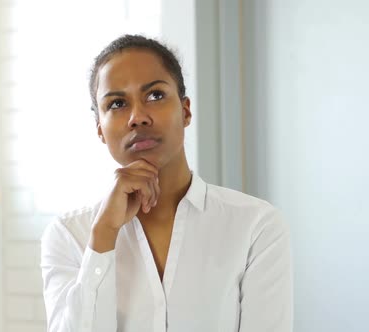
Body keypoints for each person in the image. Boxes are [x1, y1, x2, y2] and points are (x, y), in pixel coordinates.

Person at [40, 34, 292, 332]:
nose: (137, 117)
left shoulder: (256, 226)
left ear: (185, 111)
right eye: (117, 103)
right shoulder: (70, 236)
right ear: (100, 130)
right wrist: (104, 233)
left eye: (155, 95)